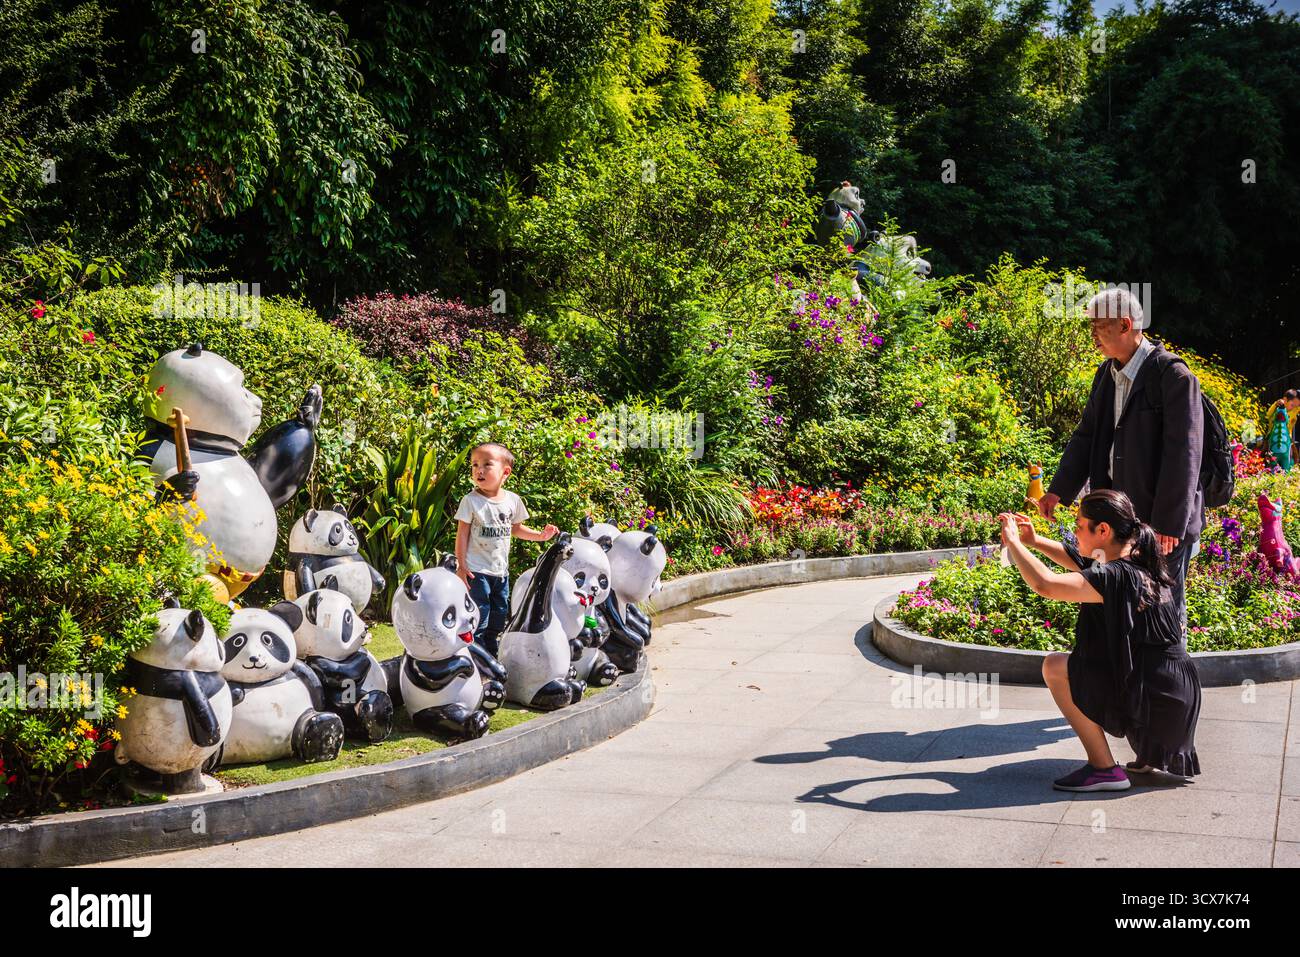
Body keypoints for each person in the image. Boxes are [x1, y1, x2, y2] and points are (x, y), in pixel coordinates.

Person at [1000, 490, 1202, 792]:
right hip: (1174, 700)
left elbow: (1046, 584)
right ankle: (1149, 752)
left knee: (1056, 667)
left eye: (1080, 526)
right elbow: (1081, 560)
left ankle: (1104, 769)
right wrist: (1035, 541)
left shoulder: (1118, 576)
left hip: (1158, 703)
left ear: (1103, 530)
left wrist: (1014, 543)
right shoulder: (1137, 558)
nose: (1075, 532)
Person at [1038, 288, 1204, 633]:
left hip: (1161, 527)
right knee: (1122, 606)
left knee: (1162, 612)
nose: (1093, 335)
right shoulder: (1107, 374)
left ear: (1125, 324)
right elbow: (1086, 436)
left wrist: (1169, 524)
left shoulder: (1173, 377)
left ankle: (1167, 683)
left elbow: (1185, 455)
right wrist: (1059, 490)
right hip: (1120, 520)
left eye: (1098, 326)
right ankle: (1126, 683)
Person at [454, 443, 558, 656]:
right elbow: (462, 533)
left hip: (501, 572)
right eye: (474, 465)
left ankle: (492, 650)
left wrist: (540, 536)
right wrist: (461, 565)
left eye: (486, 465)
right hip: (477, 570)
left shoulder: (512, 500)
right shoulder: (471, 501)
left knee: (500, 613)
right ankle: (476, 652)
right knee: (480, 614)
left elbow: (516, 529)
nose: (478, 470)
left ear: (505, 472)